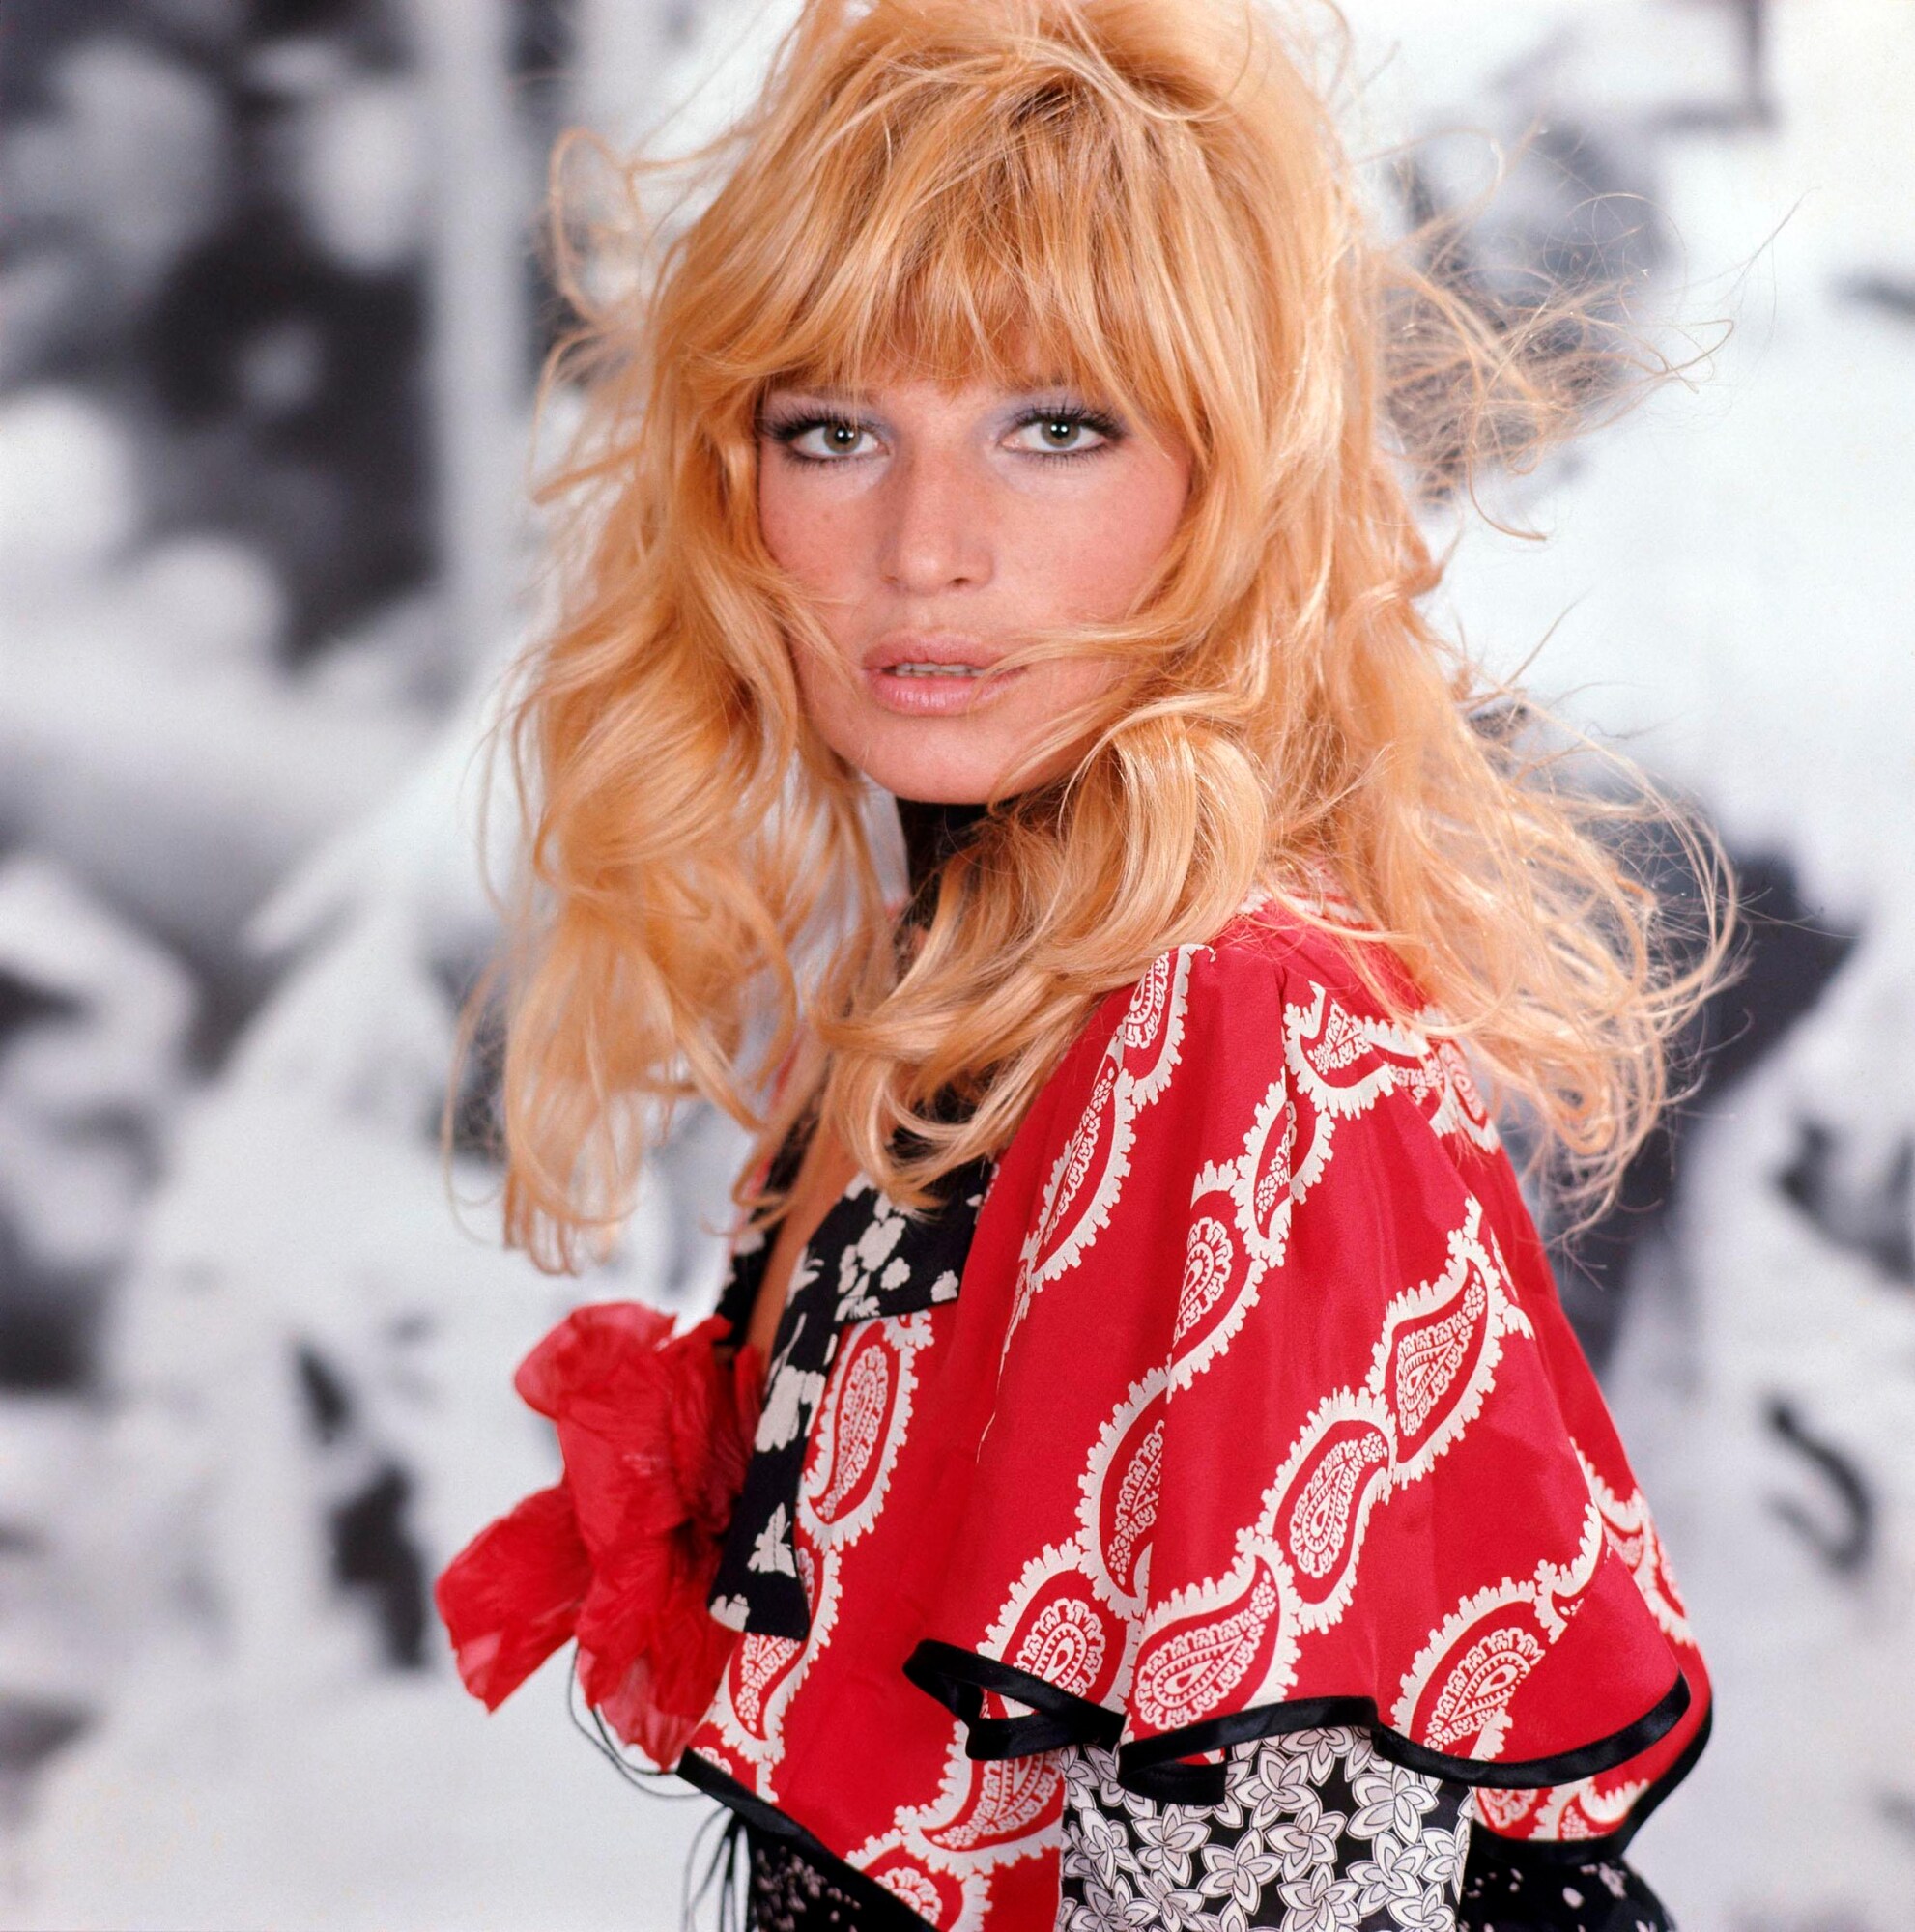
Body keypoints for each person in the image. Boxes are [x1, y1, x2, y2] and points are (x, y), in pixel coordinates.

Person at [435, 2, 1732, 1926]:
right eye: (833, 431)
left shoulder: (1235, 1025)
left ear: (1234, 482)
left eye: (1056, 427)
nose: (923, 548)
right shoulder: (966, 984)